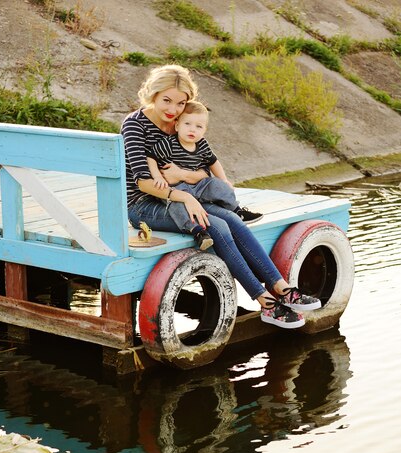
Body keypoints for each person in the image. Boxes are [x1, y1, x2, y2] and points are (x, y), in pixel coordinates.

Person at [121, 64, 321, 329]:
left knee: (232, 219)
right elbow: (144, 183)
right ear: (153, 94)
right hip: (146, 206)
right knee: (218, 226)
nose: (173, 109)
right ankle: (265, 303)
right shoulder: (135, 125)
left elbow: (201, 167)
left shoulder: (179, 123)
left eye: (181, 103)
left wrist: (189, 180)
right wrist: (187, 197)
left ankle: (282, 289)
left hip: (184, 195)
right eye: (166, 100)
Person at [146, 100, 263, 251]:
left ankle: (236, 210)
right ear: (177, 125)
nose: (192, 130)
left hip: (198, 185)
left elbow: (214, 162)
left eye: (198, 126)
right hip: (177, 188)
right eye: (187, 124)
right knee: (177, 206)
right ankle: (197, 232)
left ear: (204, 130)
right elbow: (151, 157)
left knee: (218, 186)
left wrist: (224, 180)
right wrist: (157, 177)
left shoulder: (202, 144)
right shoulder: (169, 144)